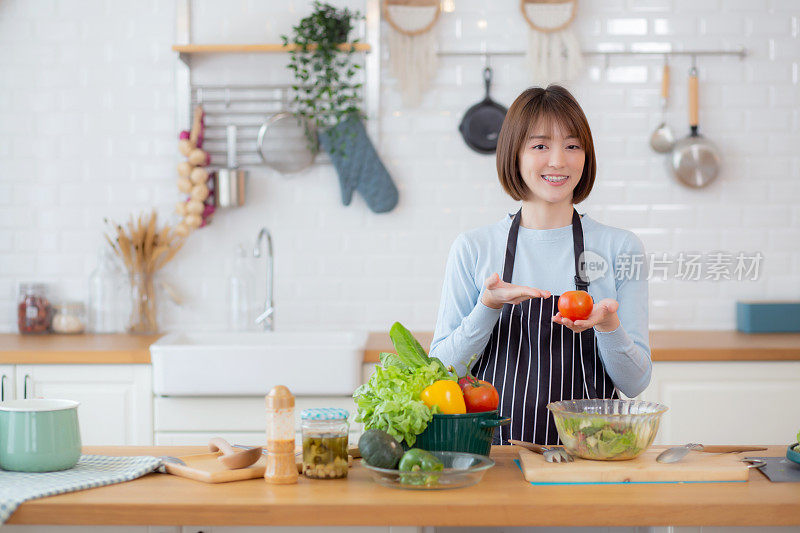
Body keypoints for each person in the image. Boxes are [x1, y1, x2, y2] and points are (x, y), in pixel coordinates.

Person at [429, 85, 651, 446]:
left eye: (573, 145)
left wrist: (609, 326)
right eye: (540, 145)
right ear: (514, 154)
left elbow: (635, 383)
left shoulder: (620, 247)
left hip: (591, 458)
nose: (558, 161)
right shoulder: (473, 247)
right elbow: (439, 372)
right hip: (494, 461)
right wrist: (487, 307)